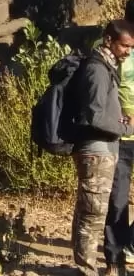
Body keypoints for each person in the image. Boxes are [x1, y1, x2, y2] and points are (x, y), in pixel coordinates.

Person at [70, 19, 134, 276]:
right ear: (108, 40)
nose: (127, 52)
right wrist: (126, 129)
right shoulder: (97, 69)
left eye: (130, 47)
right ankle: (87, 270)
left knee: (90, 214)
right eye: (124, 46)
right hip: (96, 151)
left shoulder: (106, 66)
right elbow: (95, 116)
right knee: (92, 217)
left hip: (104, 149)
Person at [105, 0, 134, 274]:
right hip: (121, 138)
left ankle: (130, 245)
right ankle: (114, 261)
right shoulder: (115, 48)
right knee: (118, 200)